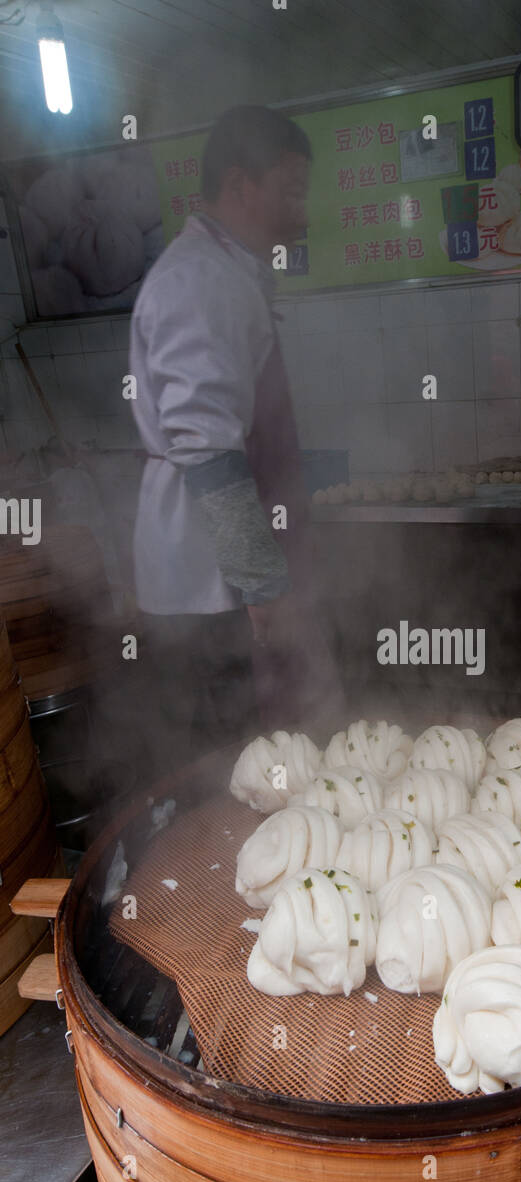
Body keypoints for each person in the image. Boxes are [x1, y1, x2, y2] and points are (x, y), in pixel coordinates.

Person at [130, 105, 324, 775]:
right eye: (292, 188)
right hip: (209, 590)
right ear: (243, 184)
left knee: (259, 745)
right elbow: (208, 448)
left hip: (231, 581)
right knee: (222, 763)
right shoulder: (198, 280)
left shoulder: (231, 270)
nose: (303, 208)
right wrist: (265, 590)